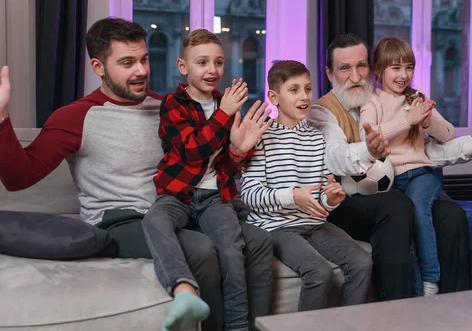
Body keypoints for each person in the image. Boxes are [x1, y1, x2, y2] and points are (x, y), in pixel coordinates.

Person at [0, 18, 273, 331]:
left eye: (144, 59)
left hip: (182, 207)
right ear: (98, 66)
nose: (141, 71)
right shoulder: (75, 117)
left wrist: (237, 151)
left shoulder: (168, 106)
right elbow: (18, 177)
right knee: (200, 250)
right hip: (120, 220)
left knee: (260, 241)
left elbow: (207, 160)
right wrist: (2, 119)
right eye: (127, 63)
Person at [307, 33, 472, 300]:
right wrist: (371, 148)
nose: (355, 76)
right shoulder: (323, 110)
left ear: (372, 67)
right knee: (397, 206)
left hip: (402, 183)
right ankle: (399, 306)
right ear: (329, 73)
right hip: (349, 199)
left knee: (451, 215)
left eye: (361, 65)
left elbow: (427, 152)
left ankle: (456, 306)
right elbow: (336, 158)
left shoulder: (395, 100)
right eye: (345, 68)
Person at [144, 29, 273, 331]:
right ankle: (183, 289)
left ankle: (238, 327)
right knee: (154, 220)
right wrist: (224, 113)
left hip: (216, 197)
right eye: (201, 62)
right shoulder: (173, 104)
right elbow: (192, 152)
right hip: (177, 194)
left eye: (218, 63)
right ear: (183, 66)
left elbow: (226, 164)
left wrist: (239, 151)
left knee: (231, 251)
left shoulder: (225, 104)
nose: (211, 70)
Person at [241, 61, 372, 311]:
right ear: (273, 96)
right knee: (319, 272)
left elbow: (320, 196)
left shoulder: (317, 137)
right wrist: (293, 196)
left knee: (362, 261)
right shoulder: (261, 137)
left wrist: (330, 200)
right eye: (294, 90)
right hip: (277, 227)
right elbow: (249, 195)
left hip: (314, 223)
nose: (304, 97)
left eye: (308, 89)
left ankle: (347, 325)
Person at [359, 37, 455, 296]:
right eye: (396, 68)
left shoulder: (418, 98)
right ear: (378, 69)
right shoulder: (372, 103)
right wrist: (407, 120)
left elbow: (447, 134)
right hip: (390, 179)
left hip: (423, 173)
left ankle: (430, 280)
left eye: (409, 67)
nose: (404, 75)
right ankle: (410, 290)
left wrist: (424, 121)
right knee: (402, 222)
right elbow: (367, 136)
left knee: (418, 205)